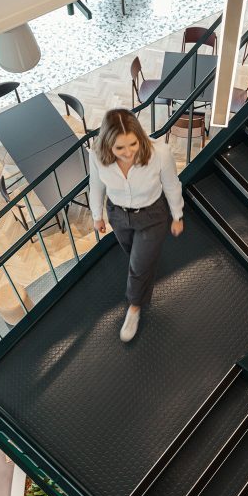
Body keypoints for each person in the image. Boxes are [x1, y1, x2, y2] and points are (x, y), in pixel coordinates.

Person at [89, 108, 184, 342]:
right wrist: (97, 215)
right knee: (134, 256)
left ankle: (134, 307)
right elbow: (97, 186)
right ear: (107, 145)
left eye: (132, 144)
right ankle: (145, 273)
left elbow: (172, 185)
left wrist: (177, 215)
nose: (128, 153)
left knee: (137, 267)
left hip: (152, 215)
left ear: (139, 137)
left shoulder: (159, 153)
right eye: (119, 148)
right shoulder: (96, 155)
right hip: (118, 215)